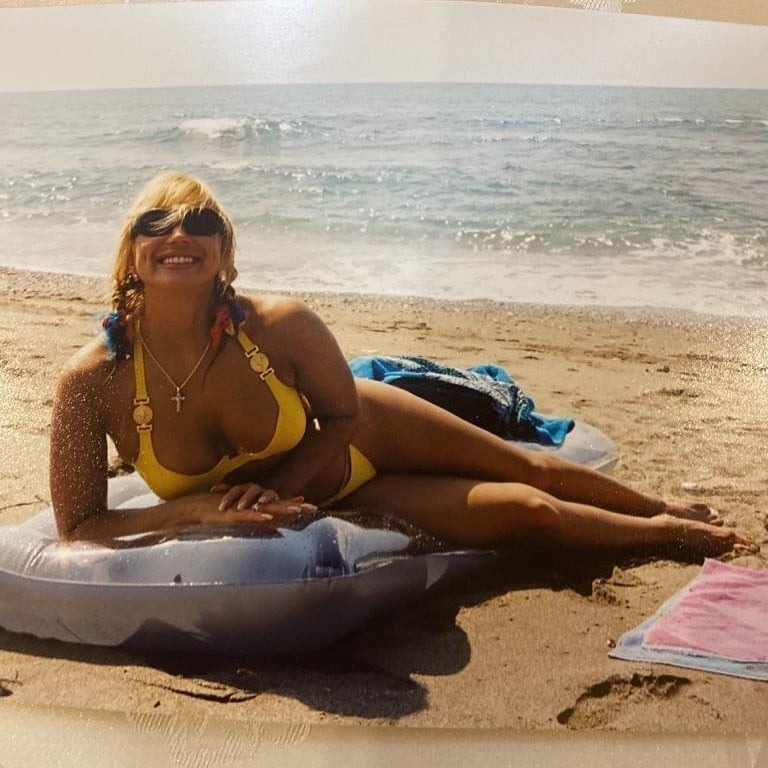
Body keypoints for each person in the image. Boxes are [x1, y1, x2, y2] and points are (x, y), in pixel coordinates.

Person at [50, 172, 755, 559]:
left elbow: (343, 414)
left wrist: (280, 488)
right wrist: (194, 511)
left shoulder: (278, 325)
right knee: (533, 513)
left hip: (364, 437)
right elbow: (78, 525)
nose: (180, 234)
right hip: (347, 500)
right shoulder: (90, 383)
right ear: (130, 251)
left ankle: (665, 514)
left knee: (532, 470)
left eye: (201, 223)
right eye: (157, 224)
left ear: (224, 252)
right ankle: (662, 537)